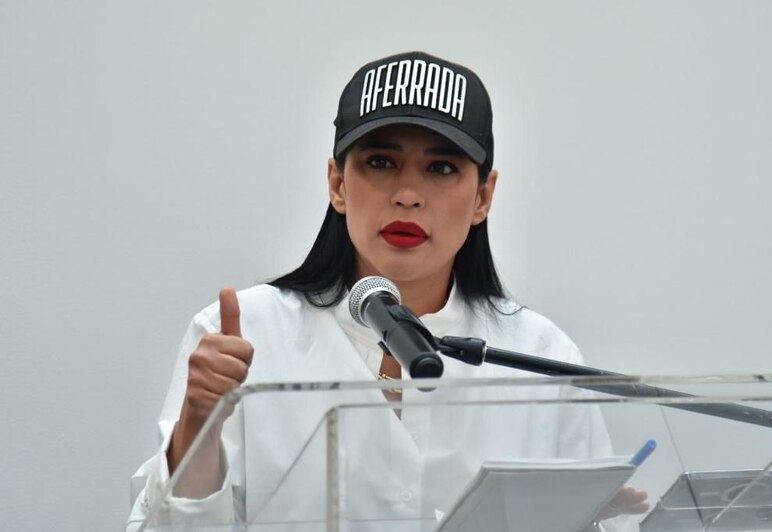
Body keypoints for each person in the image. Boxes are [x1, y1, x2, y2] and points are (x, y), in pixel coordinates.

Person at [128, 51, 647, 530]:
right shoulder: (242, 336)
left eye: (441, 168)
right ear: (336, 184)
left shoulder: (541, 355)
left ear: (483, 197)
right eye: (380, 163)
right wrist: (197, 429)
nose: (407, 195)